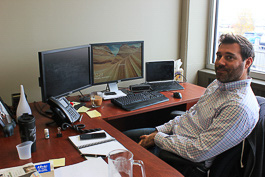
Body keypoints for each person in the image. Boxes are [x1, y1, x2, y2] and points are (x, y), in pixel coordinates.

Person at [123, 33, 260, 173]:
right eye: (219, 56)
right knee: (119, 139)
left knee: (122, 163)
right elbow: (191, 113)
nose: (220, 62)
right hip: (173, 137)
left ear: (247, 62)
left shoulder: (238, 107)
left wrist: (157, 139)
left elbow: (199, 151)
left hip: (183, 160)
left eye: (229, 57)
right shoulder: (219, 84)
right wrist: (160, 130)